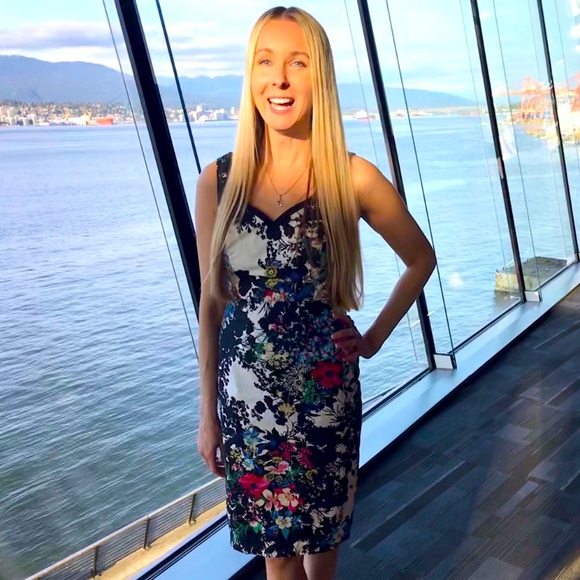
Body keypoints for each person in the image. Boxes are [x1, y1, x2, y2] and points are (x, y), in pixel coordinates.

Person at [195, 6, 436, 580]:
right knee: (277, 561)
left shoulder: (350, 178)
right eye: (265, 62)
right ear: (251, 75)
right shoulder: (218, 181)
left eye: (297, 63)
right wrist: (208, 415)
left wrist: (372, 339)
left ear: (319, 76)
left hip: (323, 398)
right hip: (247, 401)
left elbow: (421, 258)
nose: (279, 79)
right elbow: (212, 304)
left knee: (319, 559)